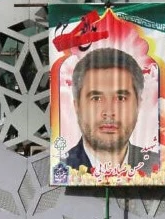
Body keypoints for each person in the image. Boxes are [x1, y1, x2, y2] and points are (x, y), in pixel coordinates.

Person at [65, 47, 159, 175]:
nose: (109, 112)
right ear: (77, 106)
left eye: (121, 98)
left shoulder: (157, 168)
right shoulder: (62, 167)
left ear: (138, 104)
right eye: (96, 98)